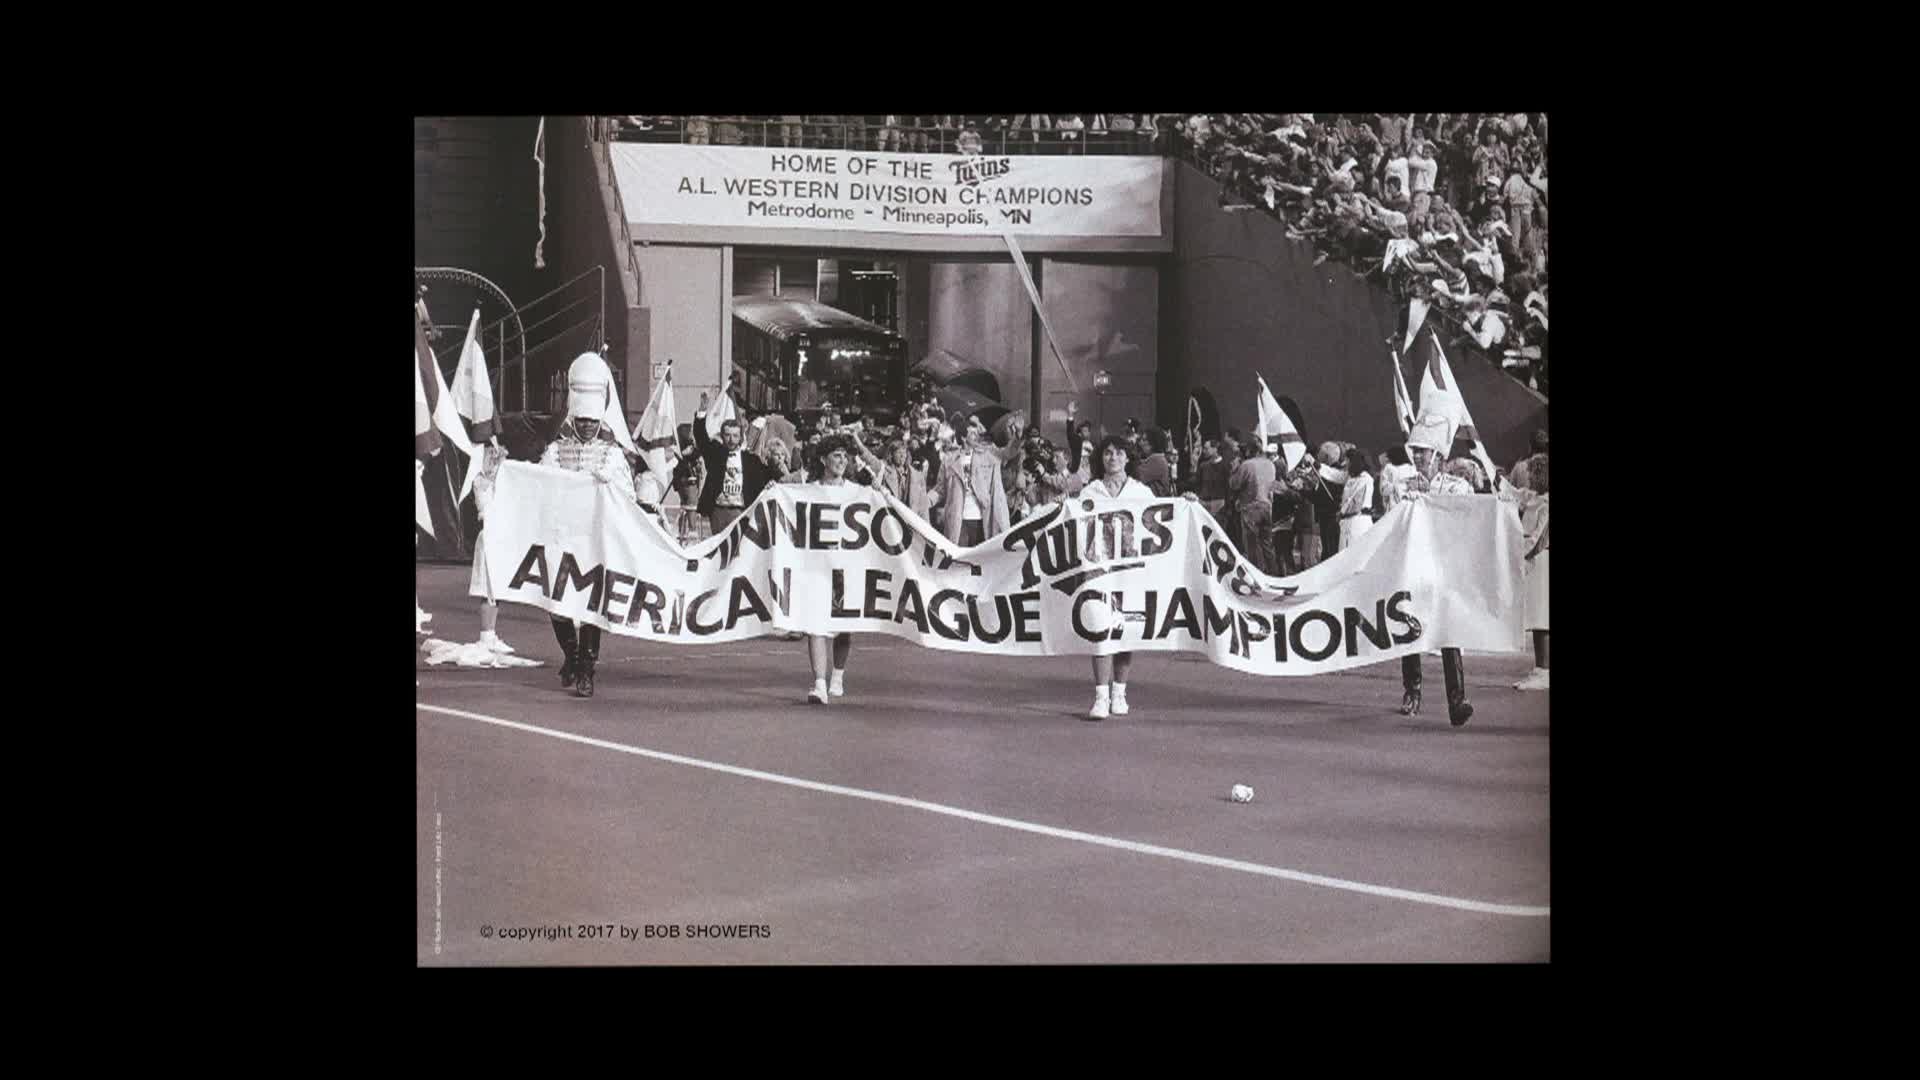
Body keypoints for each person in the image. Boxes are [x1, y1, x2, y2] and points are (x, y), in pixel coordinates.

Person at [538, 352, 638, 699]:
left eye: (592, 422)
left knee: (592, 606)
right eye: (581, 421)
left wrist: (608, 484)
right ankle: (572, 654)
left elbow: (627, 496)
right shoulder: (554, 451)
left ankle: (585, 670)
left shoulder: (612, 455)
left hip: (596, 540)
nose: (586, 427)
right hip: (563, 538)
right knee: (557, 603)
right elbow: (540, 487)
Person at [1080, 436, 1200, 720]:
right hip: (1099, 572)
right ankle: (1101, 695)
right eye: (1108, 453)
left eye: (1119, 453)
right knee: (1100, 629)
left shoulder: (1140, 491)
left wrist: (1185, 503)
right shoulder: (1091, 491)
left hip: (1133, 572)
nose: (1113, 458)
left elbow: (1163, 516)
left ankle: (1119, 691)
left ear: (1127, 458)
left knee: (1125, 631)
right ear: (1102, 458)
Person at [1383, 412, 1477, 725]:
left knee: (1450, 633)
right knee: (1409, 630)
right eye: (1416, 452)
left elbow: (1462, 519)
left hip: (1444, 569)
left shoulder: (1456, 486)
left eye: (1423, 451)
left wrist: (1427, 498)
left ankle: (1457, 700)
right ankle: (1412, 691)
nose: (1418, 457)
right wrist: (1409, 496)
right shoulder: (1401, 485)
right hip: (1412, 566)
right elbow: (1393, 519)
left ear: (1437, 455)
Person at [803, 435, 867, 704]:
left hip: (846, 568)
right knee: (815, 624)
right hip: (816, 567)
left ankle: (837, 677)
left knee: (843, 627)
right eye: (836, 455)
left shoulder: (856, 491)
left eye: (845, 456)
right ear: (823, 459)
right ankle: (819, 683)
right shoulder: (809, 490)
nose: (842, 461)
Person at [934, 411, 1026, 546]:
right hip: (958, 522)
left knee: (983, 562)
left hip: (983, 520)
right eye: (972, 433)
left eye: (976, 433)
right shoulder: (949, 460)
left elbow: (1008, 453)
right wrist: (924, 500)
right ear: (964, 438)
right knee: (960, 563)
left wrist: (1018, 434)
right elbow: (940, 489)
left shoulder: (989, 453)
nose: (976, 436)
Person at [692, 393, 773, 536]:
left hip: (741, 510)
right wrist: (702, 411)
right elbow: (701, 437)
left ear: (741, 437)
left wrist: (771, 483)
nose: (731, 439)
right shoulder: (715, 454)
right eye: (727, 435)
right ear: (722, 436)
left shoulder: (751, 460)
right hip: (718, 510)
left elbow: (768, 476)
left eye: (735, 436)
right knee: (719, 550)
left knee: (738, 550)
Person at [467, 441, 517, 655]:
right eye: (491, 454)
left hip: (502, 537)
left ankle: (490, 633)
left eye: (498, 453)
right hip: (489, 537)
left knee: (497, 589)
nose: (496, 457)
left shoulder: (504, 478)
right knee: (488, 589)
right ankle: (486, 635)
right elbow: (486, 509)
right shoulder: (480, 481)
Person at [1511, 452, 1550, 689]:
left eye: (1534, 472)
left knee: (1542, 616)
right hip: (1533, 560)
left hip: (1540, 559)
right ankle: (1539, 668)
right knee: (1536, 617)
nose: (1530, 476)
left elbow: (1536, 537)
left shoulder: (1546, 503)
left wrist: (1517, 553)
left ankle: (1544, 670)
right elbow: (1515, 496)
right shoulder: (1536, 498)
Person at [1227, 437, 1278, 575]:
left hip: (1251, 508)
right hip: (1267, 507)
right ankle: (1273, 575)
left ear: (1249, 450)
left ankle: (1256, 578)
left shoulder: (1247, 465)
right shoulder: (1270, 464)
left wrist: (1234, 469)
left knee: (1252, 547)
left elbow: (1234, 484)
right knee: (1267, 546)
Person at [1337, 446, 1376, 552]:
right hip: (1348, 523)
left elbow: (1355, 501)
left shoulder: (1366, 479)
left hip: (1358, 523)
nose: (1346, 464)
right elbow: (1335, 475)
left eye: (1348, 461)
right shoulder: (1351, 477)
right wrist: (1318, 466)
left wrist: (1342, 511)